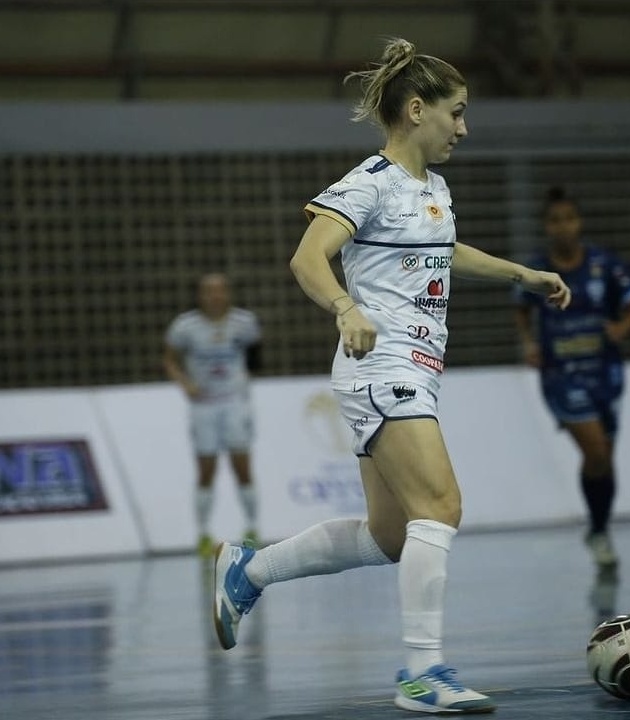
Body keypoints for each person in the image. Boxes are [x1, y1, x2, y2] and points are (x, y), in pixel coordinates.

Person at [211, 37, 570, 714]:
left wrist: (522, 273)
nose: (464, 128)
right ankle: (422, 673)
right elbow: (307, 258)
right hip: (382, 364)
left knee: (392, 536)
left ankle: (247, 570)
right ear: (415, 110)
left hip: (414, 368)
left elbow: (443, 247)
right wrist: (345, 306)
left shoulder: (432, 187)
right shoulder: (368, 181)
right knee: (442, 507)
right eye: (456, 113)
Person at [516, 186, 630, 570]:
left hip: (605, 372)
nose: (563, 226)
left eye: (569, 218)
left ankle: (599, 529)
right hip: (561, 376)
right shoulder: (539, 270)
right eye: (555, 220)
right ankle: (599, 530)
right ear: (546, 226)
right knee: (596, 452)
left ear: (579, 222)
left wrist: (621, 329)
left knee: (605, 458)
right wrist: (529, 344)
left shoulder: (604, 264)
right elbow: (522, 309)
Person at [163, 273, 263, 556]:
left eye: (220, 291)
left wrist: (244, 376)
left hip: (234, 402)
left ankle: (252, 528)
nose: (215, 297)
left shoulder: (244, 322)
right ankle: (204, 534)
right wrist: (186, 383)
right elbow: (169, 359)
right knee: (206, 469)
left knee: (242, 466)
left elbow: (256, 353)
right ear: (200, 295)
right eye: (209, 292)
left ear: (228, 294)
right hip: (204, 406)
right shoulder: (186, 326)